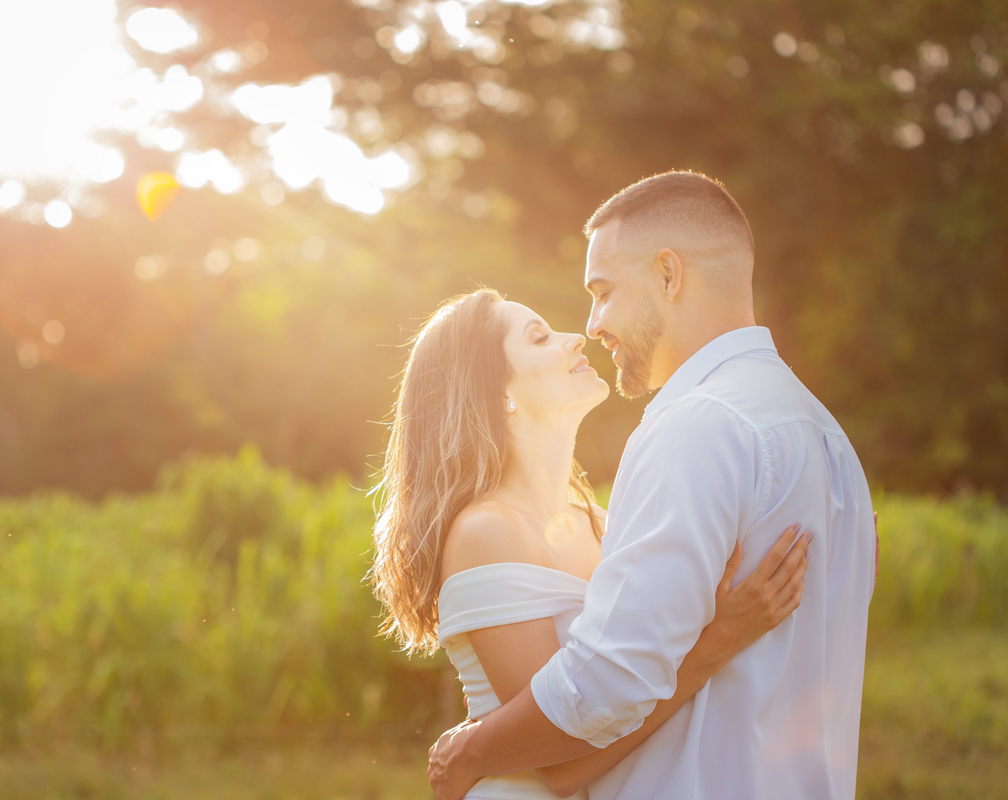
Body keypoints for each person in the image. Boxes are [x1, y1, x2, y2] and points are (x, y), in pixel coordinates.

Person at [426, 172, 878, 800]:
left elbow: (607, 685)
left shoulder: (696, 426)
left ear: (668, 275)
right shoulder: (823, 433)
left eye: (604, 292)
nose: (590, 324)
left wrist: (471, 746)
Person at [371, 284, 812, 800]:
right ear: (498, 394)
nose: (575, 338)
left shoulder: (606, 522)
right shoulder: (486, 532)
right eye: (540, 338)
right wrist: (717, 644)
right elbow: (563, 760)